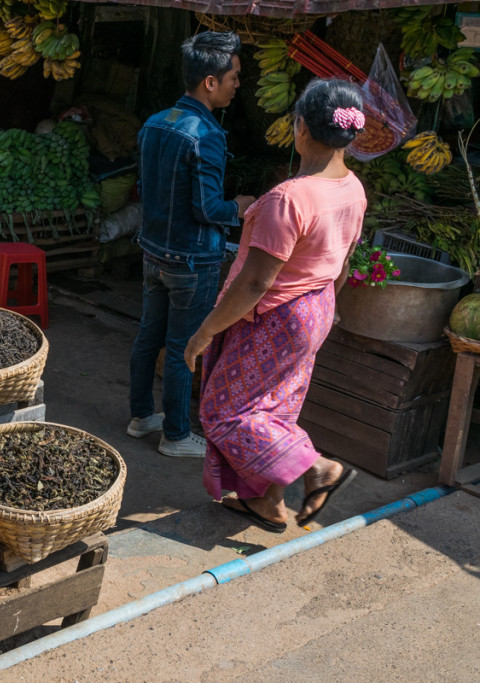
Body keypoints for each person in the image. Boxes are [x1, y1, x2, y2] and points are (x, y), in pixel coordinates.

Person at [184, 78, 366, 533]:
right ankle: (267, 503)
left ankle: (316, 470)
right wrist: (327, 309)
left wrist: (205, 331)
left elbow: (255, 283)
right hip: (317, 306)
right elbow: (342, 263)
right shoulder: (352, 188)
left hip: (275, 315)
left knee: (226, 413)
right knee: (274, 408)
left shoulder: (289, 198)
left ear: (301, 127)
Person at [127, 31, 256, 458]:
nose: (239, 84)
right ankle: (177, 435)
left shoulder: (154, 123)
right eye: (234, 76)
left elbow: (145, 188)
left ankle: (141, 416)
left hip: (154, 252)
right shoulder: (207, 134)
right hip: (192, 260)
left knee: (149, 337)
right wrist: (238, 206)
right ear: (210, 82)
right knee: (185, 347)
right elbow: (207, 208)